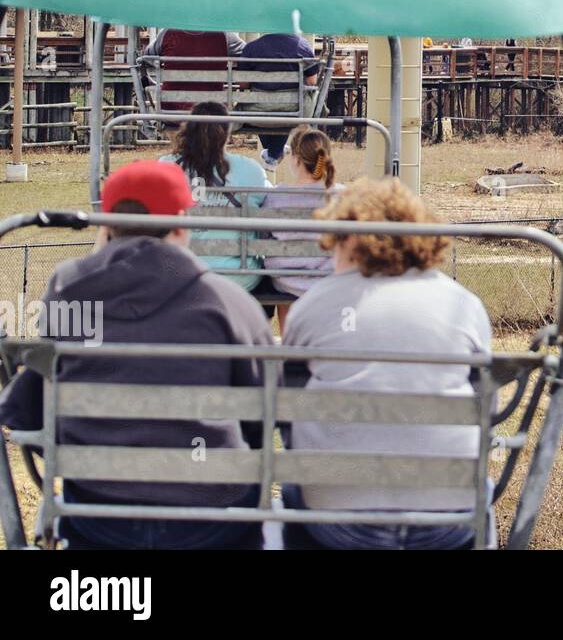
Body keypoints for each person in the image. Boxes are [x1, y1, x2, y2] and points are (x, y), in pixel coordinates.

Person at [0, 160, 274, 550]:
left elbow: (55, 367)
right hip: (211, 523)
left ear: (107, 226)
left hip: (100, 517)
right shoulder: (227, 303)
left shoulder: (68, 290)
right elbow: (260, 416)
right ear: (183, 224)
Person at [281, 178, 491, 550]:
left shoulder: (314, 304)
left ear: (348, 241)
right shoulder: (463, 304)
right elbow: (482, 405)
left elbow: (289, 406)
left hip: (337, 521)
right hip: (448, 518)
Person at [162, 101, 270, 291]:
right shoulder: (250, 170)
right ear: (227, 136)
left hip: (179, 274)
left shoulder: (166, 167)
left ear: (188, 131)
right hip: (238, 276)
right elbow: (269, 205)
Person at [261, 126, 340, 322]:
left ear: (295, 159)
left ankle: (290, 344)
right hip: (329, 277)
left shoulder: (276, 197)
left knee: (281, 281)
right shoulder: (341, 195)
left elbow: (264, 239)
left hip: (285, 279)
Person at [239, 32, 322, 169]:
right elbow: (311, 81)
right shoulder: (302, 46)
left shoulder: (252, 47)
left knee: (264, 107)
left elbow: (243, 84)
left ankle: (273, 154)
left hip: (257, 110)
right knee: (283, 110)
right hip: (294, 110)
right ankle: (274, 154)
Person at [141, 29, 245, 112]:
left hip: (172, 111)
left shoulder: (168, 33)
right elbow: (248, 51)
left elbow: (146, 56)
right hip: (214, 112)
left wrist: (163, 62)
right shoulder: (224, 34)